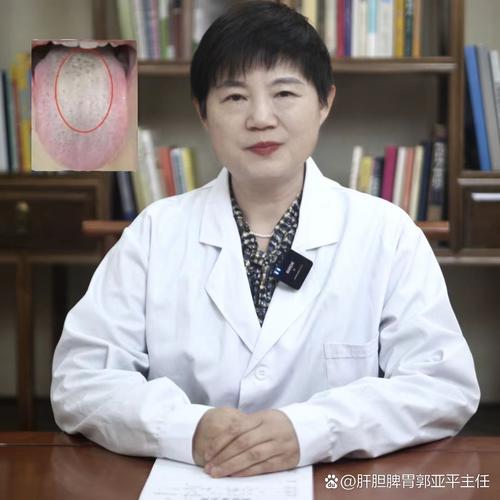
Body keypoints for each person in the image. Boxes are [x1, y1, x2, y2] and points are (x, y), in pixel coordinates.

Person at [51, 0, 480, 479]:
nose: (260, 117)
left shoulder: (387, 234)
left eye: (284, 93)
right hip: (188, 481)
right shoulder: (154, 233)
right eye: (235, 97)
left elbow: (443, 387)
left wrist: (313, 429)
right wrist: (188, 429)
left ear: (324, 102)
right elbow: (79, 381)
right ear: (203, 112)